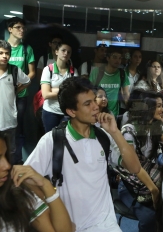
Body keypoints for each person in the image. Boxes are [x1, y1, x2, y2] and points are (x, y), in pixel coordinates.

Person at [24, 77, 141, 232]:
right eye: (87, 104)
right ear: (71, 111)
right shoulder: (53, 140)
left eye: (94, 100)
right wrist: (50, 203)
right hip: (71, 226)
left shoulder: (103, 137)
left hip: (106, 225)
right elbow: (26, 178)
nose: (95, 107)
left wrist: (114, 131)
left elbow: (134, 168)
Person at [118, 90, 163, 232]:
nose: (162, 109)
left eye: (162, 105)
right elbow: (134, 168)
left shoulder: (154, 127)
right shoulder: (129, 131)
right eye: (158, 106)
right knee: (149, 217)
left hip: (150, 176)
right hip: (131, 183)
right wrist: (154, 190)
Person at [0, 17, 36, 166]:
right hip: (1, 94)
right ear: (10, 29)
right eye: (18, 27)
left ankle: (16, 160)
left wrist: (18, 88)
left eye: (23, 28)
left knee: (17, 128)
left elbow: (31, 73)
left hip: (20, 95)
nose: (21, 30)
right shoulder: (1, 47)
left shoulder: (26, 49)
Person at [0, 40, 31, 163]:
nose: (4, 56)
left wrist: (16, 90)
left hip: (9, 121)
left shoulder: (14, 70)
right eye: (0, 53)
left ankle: (8, 179)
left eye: (7, 53)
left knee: (10, 152)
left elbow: (27, 81)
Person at [41, 43, 78, 133]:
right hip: (50, 111)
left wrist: (53, 90)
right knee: (51, 139)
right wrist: (66, 91)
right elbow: (45, 94)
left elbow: (75, 93)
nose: (66, 53)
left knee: (66, 139)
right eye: (63, 50)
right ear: (56, 51)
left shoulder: (73, 72)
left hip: (67, 112)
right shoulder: (48, 70)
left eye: (69, 52)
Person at [89, 51, 130, 116]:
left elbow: (126, 93)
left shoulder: (122, 74)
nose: (118, 60)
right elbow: (90, 92)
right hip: (97, 112)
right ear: (108, 58)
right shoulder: (97, 72)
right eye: (114, 57)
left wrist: (130, 108)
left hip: (114, 113)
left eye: (120, 58)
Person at [120, 49, 142, 114]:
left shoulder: (140, 75)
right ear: (131, 58)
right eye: (135, 56)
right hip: (123, 107)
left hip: (135, 107)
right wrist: (128, 105)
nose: (138, 59)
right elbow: (121, 91)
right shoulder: (123, 72)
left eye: (140, 57)